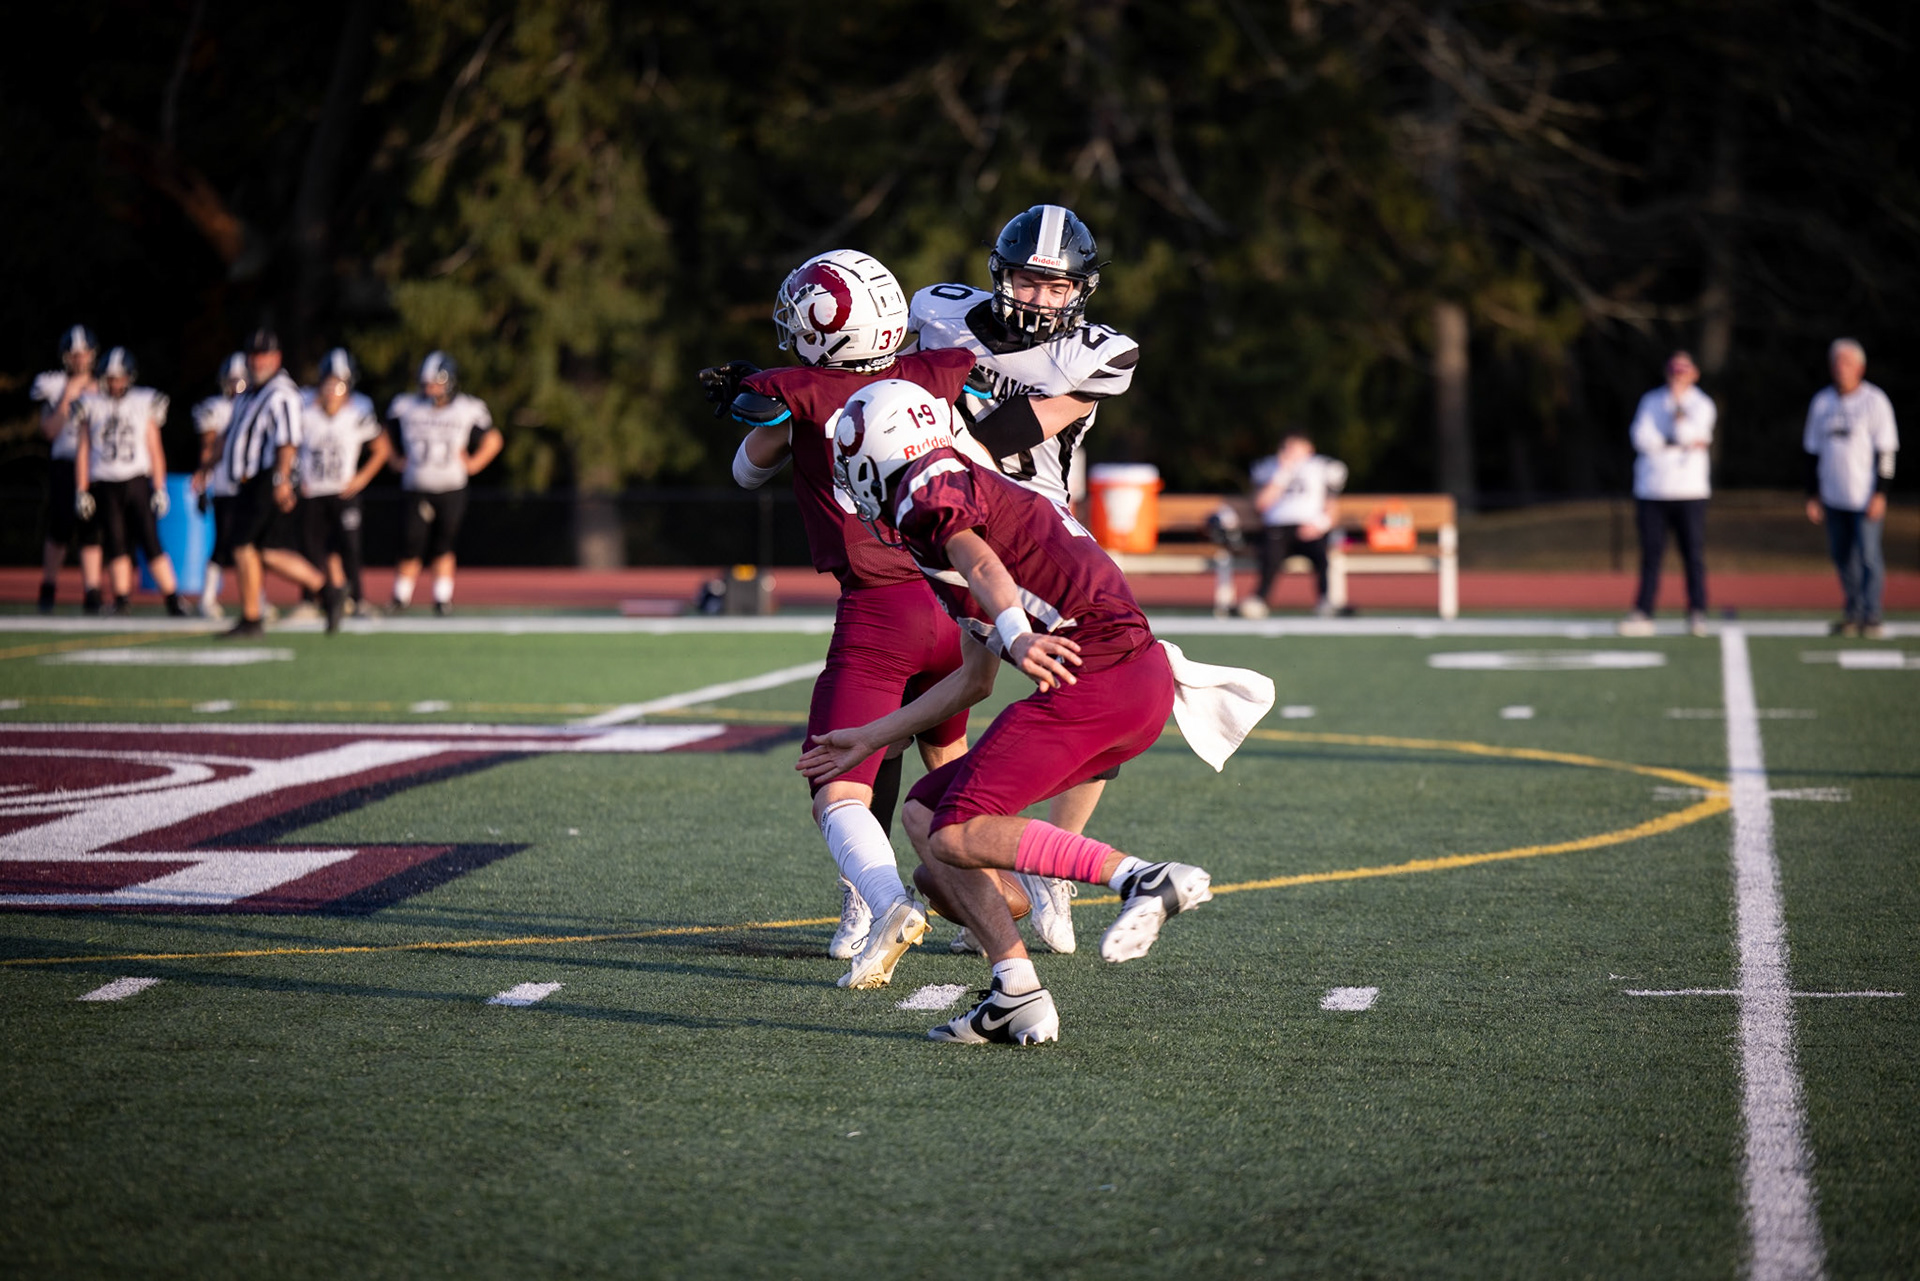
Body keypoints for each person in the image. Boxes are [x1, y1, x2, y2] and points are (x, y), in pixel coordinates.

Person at [801, 379, 1273, 1043]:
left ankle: (1140, 876)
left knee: (954, 836)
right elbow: (973, 680)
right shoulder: (952, 487)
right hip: (1123, 678)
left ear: (871, 452)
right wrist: (870, 738)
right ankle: (1015, 991)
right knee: (925, 814)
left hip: (1101, 672)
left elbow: (981, 561)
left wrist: (1018, 631)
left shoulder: (927, 488)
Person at [700, 249, 978, 979]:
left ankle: (878, 896)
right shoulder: (934, 370)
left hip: (880, 609)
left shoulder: (803, 392)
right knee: (948, 766)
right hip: (957, 603)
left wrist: (779, 406)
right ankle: (1007, 899)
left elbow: (745, 465)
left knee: (836, 777)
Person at [910, 204, 1142, 955]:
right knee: (965, 685)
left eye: (1056, 285)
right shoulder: (940, 313)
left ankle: (1051, 864)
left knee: (1086, 687)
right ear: (997, 274)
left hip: (1039, 542)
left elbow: (998, 433)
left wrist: (943, 396)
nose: (1040, 297)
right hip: (952, 527)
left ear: (1081, 288)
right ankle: (972, 853)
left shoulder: (1096, 352)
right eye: (1026, 281)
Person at [215, 328, 339, 636]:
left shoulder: (280, 392)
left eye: (264, 355)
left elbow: (288, 441)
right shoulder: (251, 393)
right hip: (250, 481)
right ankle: (328, 589)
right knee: (265, 550)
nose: (258, 361)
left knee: (243, 546)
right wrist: (207, 466)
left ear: (276, 357)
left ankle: (251, 617)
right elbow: (231, 436)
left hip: (266, 479)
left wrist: (282, 479)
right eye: (254, 355)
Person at [71, 347, 187, 616]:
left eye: (119, 377)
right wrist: (81, 489)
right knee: (115, 541)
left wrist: (159, 487)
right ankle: (122, 598)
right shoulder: (90, 403)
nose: (115, 383)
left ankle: (172, 597)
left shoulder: (143, 401)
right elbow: (83, 450)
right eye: (111, 378)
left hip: (136, 480)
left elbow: (155, 448)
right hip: (104, 482)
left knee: (150, 540)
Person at [386, 352, 501, 616]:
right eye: (426, 383)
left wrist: (474, 463)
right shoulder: (406, 406)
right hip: (416, 484)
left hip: (452, 485)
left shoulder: (467, 408)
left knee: (444, 543)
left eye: (435, 382)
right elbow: (381, 433)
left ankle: (442, 599)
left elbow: (493, 439)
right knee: (411, 541)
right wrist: (393, 459)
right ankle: (400, 596)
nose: (430, 389)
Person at [1804, 338, 1899, 638]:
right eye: (1836, 362)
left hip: (1864, 495)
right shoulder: (1822, 402)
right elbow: (1812, 452)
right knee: (1842, 556)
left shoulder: (1875, 401)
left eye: (1847, 362)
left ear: (1860, 367)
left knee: (1869, 555)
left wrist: (1880, 493)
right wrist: (1813, 494)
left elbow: (1886, 451)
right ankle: (1853, 611)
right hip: (1833, 496)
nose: (1840, 368)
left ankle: (1872, 615)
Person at [1620, 351, 1715, 637]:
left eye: (1684, 371)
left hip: (1689, 491)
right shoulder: (1650, 401)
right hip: (1652, 490)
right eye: (1674, 371)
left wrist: (1677, 410)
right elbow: (1641, 438)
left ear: (1694, 374)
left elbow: (1688, 435)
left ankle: (1697, 610)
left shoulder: (1702, 404)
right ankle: (1644, 610)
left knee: (1693, 554)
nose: (1678, 377)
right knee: (1651, 555)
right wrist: (1670, 442)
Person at [299, 348, 390, 614]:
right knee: (310, 549)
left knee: (350, 547)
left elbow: (381, 449)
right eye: (329, 383)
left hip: (344, 490)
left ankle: (358, 599)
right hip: (312, 489)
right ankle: (310, 600)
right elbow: (288, 444)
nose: (333, 390)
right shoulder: (304, 406)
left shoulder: (359, 409)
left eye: (339, 384)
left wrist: (361, 478)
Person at [32, 325, 105, 613]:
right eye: (74, 355)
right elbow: (49, 431)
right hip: (65, 462)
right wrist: (69, 395)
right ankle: (48, 587)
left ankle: (93, 591)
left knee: (92, 529)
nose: (79, 360)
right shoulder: (55, 385)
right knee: (59, 527)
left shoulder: (105, 384)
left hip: (96, 466)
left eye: (84, 354)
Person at [1240, 432, 1347, 619]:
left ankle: (1325, 600)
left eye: (1296, 447)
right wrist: (1283, 473)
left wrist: (1320, 525)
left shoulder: (1322, 467)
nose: (1291, 452)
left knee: (1322, 555)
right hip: (1277, 528)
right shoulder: (1270, 468)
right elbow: (1261, 504)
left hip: (1311, 528)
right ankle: (1259, 599)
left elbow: (1332, 505)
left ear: (1309, 449)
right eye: (1287, 447)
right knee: (1270, 555)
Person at [190, 352, 250, 619]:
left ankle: (254, 597)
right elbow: (208, 448)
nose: (235, 386)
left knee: (251, 544)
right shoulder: (217, 408)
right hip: (226, 485)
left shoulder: (256, 406)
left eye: (240, 381)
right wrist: (204, 480)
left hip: (251, 484)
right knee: (224, 542)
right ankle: (207, 597)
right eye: (231, 380)